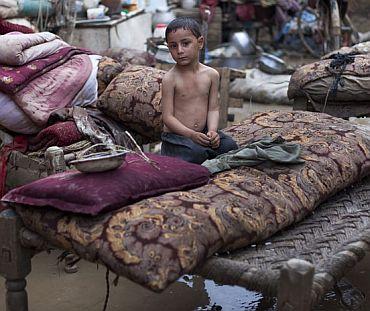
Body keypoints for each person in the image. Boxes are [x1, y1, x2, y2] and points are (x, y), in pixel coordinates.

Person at [161, 17, 238, 164]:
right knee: (195, 153)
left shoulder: (211, 75)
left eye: (185, 43)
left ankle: (206, 153)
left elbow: (213, 109)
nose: (180, 51)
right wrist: (191, 134)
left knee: (230, 146)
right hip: (177, 138)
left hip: (203, 133)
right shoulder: (170, 79)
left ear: (200, 42)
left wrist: (213, 132)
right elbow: (168, 118)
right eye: (173, 46)